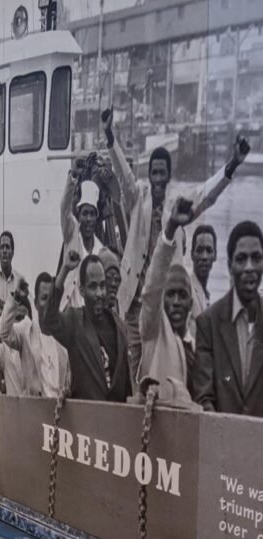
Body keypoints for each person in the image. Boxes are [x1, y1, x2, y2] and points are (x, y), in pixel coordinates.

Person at [101, 105, 249, 376]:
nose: (157, 179)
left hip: (167, 304)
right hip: (135, 304)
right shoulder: (137, 197)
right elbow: (122, 173)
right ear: (150, 175)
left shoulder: (177, 206)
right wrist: (109, 135)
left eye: (162, 173)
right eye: (154, 173)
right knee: (135, 366)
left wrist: (232, 165)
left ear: (168, 176)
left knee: (164, 367)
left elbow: (207, 195)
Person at [193, 221, 263, 417]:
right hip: (220, 442)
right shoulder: (208, 323)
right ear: (229, 265)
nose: (249, 267)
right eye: (241, 259)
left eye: (256, 258)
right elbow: (203, 397)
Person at [42, 250, 131, 402]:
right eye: (93, 287)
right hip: (85, 420)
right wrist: (65, 269)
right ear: (82, 291)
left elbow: (126, 384)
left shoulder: (120, 327)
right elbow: (49, 320)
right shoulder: (74, 322)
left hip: (117, 420)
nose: (99, 293)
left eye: (102, 285)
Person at [137, 198, 199, 407]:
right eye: (170, 294)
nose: (176, 302)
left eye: (182, 296)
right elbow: (152, 288)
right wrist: (170, 229)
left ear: (191, 304)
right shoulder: (153, 331)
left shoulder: (197, 340)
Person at [0, 272, 68, 398]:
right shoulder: (26, 331)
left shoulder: (65, 336)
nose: (49, 304)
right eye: (44, 298)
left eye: (52, 299)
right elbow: (4, 331)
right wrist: (16, 298)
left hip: (60, 413)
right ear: (35, 303)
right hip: (34, 413)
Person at [60, 169, 105, 307]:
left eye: (92, 214)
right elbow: (64, 209)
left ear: (96, 218)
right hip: (72, 314)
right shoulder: (71, 237)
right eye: (85, 213)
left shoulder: (101, 249)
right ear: (79, 215)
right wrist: (72, 177)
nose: (88, 219)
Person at [189, 224, 217, 332]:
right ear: (192, 255)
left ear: (215, 255)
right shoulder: (186, 290)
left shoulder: (206, 296)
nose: (204, 257)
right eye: (199, 250)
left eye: (209, 250)